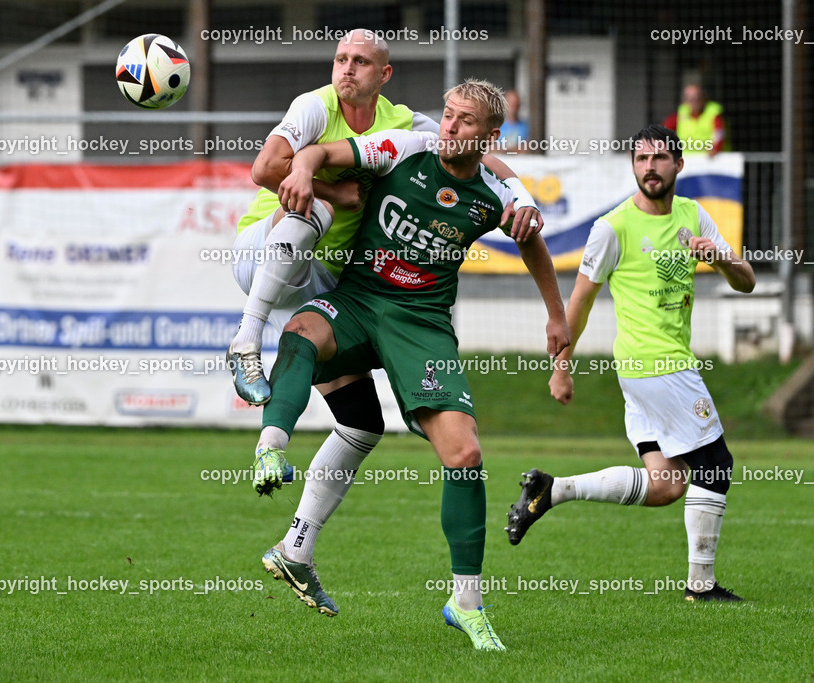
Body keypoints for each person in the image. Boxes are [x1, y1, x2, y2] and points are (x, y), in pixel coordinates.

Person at [255, 79, 570, 650]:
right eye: (447, 115)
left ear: (488, 134)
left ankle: (466, 601)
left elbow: (531, 243)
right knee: (301, 331)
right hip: (357, 299)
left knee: (466, 454)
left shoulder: (493, 193)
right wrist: (303, 169)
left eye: (465, 121)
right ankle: (271, 445)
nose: (450, 127)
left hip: (420, 324)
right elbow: (325, 153)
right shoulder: (406, 147)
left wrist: (557, 316)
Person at [227, 29, 542, 523]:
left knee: (362, 422)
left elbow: (478, 155)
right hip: (264, 252)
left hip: (322, 277)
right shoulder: (315, 105)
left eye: (360, 62)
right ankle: (246, 340)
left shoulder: (405, 126)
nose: (346, 69)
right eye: (340, 58)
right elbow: (266, 168)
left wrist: (520, 196)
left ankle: (295, 543)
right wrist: (332, 192)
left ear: (384, 74)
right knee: (315, 215)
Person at [505, 124, 754, 603]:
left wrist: (719, 257)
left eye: (660, 158)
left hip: (646, 376)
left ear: (678, 164)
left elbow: (747, 281)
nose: (650, 167)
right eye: (641, 159)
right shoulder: (612, 226)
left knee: (665, 485)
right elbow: (576, 303)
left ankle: (550, 490)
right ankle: (700, 587)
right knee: (716, 465)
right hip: (659, 367)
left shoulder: (694, 215)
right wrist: (561, 365)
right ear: (633, 166)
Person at [662, 83, 729, 156]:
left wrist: (715, 148)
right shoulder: (678, 116)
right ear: (684, 101)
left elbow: (719, 134)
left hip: (711, 160)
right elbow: (664, 133)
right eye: (690, 99)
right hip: (686, 160)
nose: (694, 102)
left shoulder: (714, 114)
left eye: (698, 98)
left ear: (704, 98)